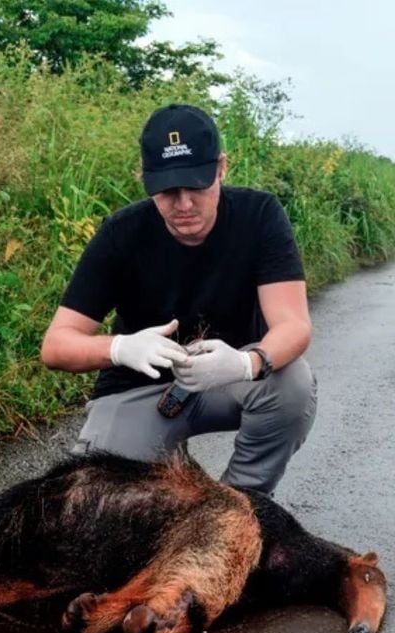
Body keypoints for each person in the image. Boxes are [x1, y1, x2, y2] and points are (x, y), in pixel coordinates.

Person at [40, 103, 316, 495]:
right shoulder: (121, 234)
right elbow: (56, 345)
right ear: (143, 178)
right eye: (168, 190)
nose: (184, 204)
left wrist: (244, 363)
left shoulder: (260, 216)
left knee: (292, 384)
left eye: (197, 185)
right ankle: (167, 488)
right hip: (141, 389)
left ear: (222, 168)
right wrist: (120, 348)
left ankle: (244, 504)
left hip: (226, 380)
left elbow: (293, 325)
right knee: (104, 499)